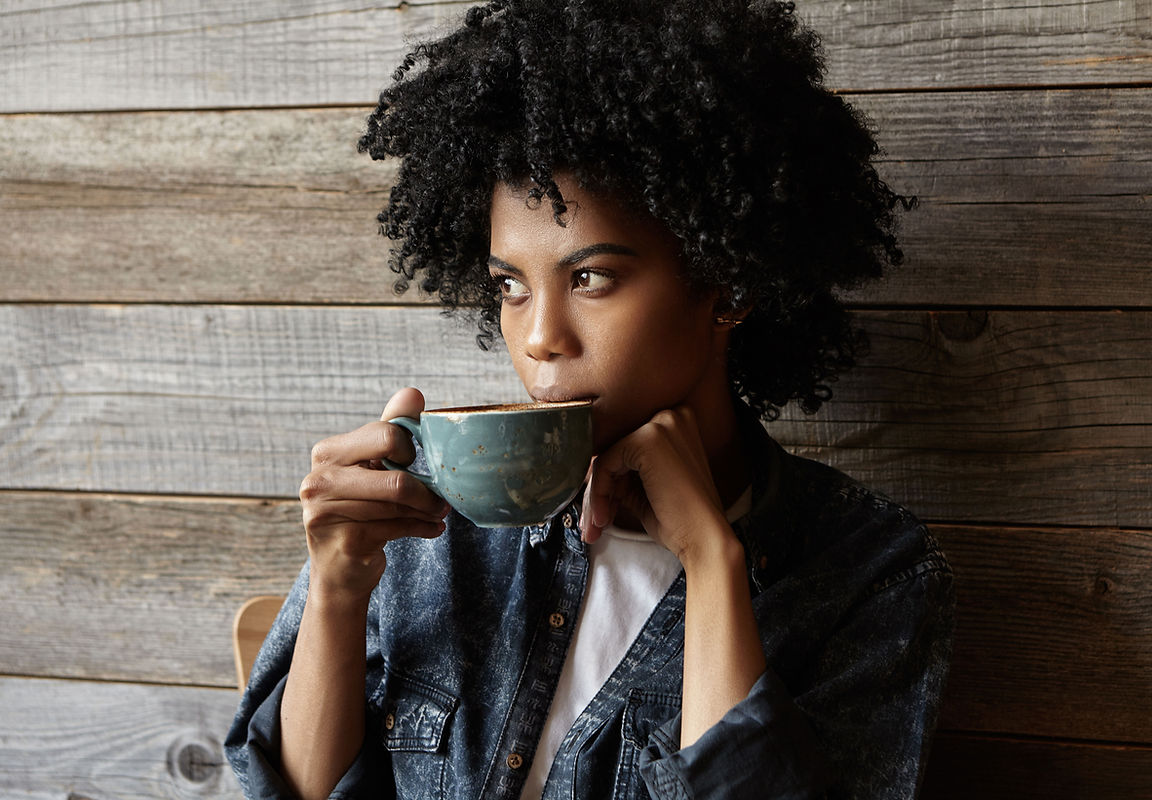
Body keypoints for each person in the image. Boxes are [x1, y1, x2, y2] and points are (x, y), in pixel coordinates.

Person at [225, 0, 954, 798]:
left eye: (591, 278)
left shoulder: (868, 572)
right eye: (509, 286)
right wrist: (334, 591)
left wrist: (712, 562)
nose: (540, 337)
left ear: (729, 281)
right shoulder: (426, 526)